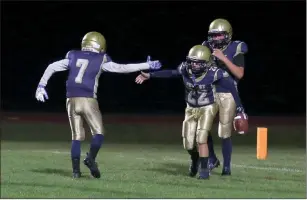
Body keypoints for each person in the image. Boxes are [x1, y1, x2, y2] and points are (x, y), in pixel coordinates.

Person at [35, 31, 162, 179]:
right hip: (88, 99)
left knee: (76, 136)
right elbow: (121, 68)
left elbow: (52, 67)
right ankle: (90, 159)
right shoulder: (101, 59)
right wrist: (146, 64)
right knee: (98, 133)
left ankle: (76, 172)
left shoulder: (73, 55)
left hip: (70, 99)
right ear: (100, 45)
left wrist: (41, 86)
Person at [135, 45, 246, 179]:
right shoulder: (185, 69)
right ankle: (195, 159)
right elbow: (171, 73)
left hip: (207, 107)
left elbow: (232, 88)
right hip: (190, 108)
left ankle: (204, 171)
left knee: (201, 138)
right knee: (188, 143)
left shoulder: (215, 73)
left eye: (198, 62)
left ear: (207, 63)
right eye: (192, 61)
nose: (194, 65)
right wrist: (150, 75)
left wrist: (240, 108)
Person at [202, 18, 248, 175]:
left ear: (227, 35)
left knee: (224, 131)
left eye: (219, 35)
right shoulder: (206, 47)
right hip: (208, 91)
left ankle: (226, 167)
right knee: (202, 128)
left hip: (227, 93)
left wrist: (223, 58)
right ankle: (212, 159)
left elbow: (239, 74)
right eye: (213, 36)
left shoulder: (236, 47)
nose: (215, 39)